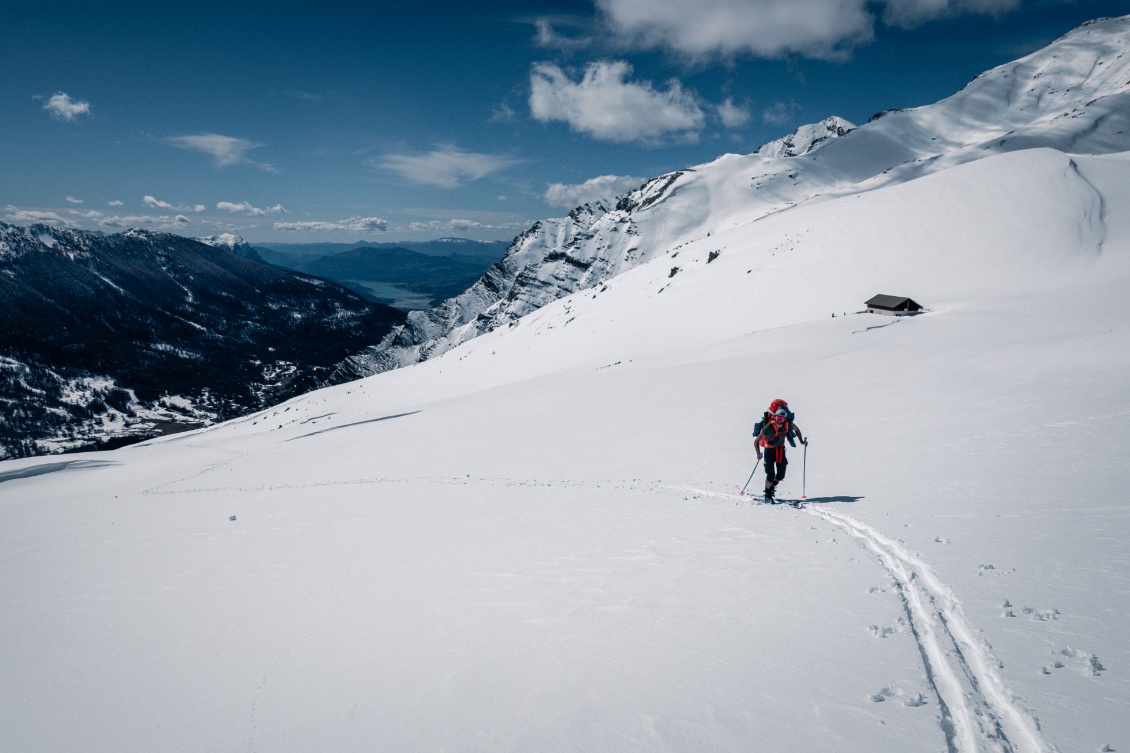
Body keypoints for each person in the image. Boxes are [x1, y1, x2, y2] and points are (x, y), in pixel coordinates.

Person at [756, 408, 806, 500]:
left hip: (780, 450)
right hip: (769, 451)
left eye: (782, 419)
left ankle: (771, 487)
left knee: (780, 476)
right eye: (778, 418)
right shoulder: (769, 426)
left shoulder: (787, 424)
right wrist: (758, 454)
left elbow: (797, 430)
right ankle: (768, 495)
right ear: (775, 417)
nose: (780, 420)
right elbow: (756, 441)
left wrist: (801, 441)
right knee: (770, 475)